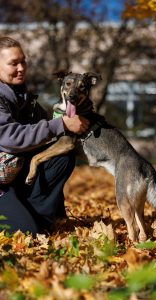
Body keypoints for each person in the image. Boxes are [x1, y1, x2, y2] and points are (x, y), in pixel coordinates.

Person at [0, 36, 89, 235]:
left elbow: (47, 133)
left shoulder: (24, 98)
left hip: (13, 173)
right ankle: (26, 220)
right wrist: (62, 123)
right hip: (2, 180)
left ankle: (42, 218)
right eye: (14, 63)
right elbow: (10, 137)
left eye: (23, 61)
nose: (21, 68)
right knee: (23, 232)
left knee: (62, 156)